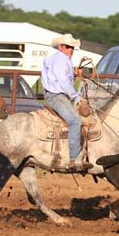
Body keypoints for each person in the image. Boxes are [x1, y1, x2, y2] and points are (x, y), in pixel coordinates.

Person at [41, 33, 93, 170]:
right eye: (68, 47)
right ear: (61, 47)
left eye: (72, 47)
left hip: (55, 95)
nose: (71, 50)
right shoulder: (62, 60)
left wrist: (74, 74)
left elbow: (60, 77)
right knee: (76, 121)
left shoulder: (56, 59)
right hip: (57, 96)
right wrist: (76, 97)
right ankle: (74, 159)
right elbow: (63, 81)